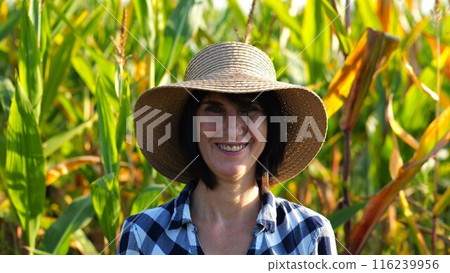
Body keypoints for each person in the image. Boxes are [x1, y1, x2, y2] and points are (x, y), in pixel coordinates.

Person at [118, 42, 337, 255]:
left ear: (270, 126)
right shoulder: (142, 235)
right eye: (214, 109)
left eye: (249, 109)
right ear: (190, 124)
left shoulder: (310, 235)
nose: (232, 129)